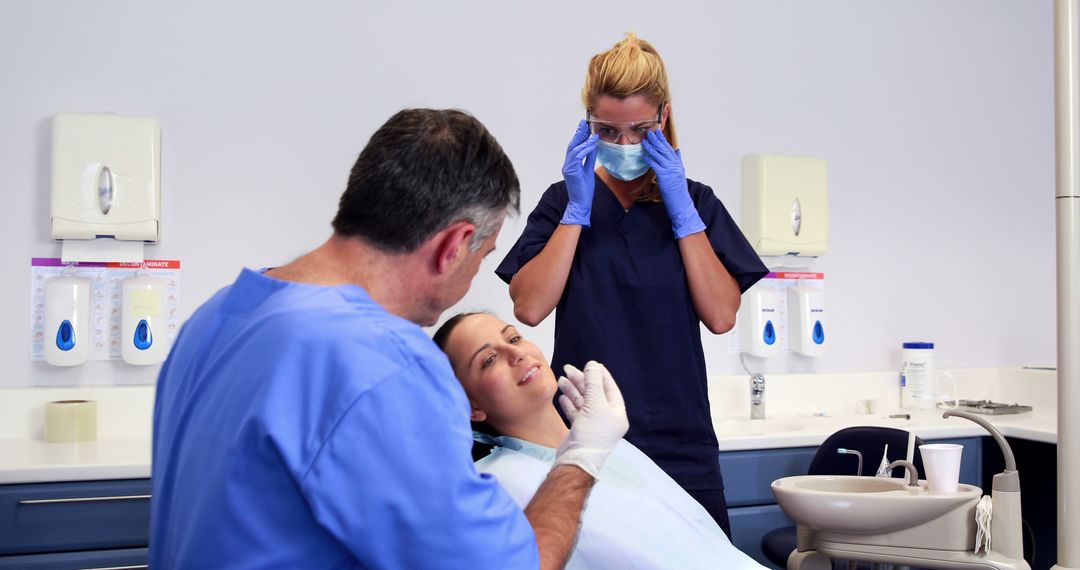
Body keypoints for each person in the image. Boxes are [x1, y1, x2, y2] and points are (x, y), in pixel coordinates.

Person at [150, 108, 629, 569]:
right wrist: (580, 459)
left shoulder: (215, 315)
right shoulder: (383, 365)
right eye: (483, 255)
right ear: (453, 246)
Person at [495, 33, 769, 537]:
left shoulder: (698, 204)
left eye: (639, 130)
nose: (623, 145)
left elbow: (722, 315)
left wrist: (683, 214)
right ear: (588, 127)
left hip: (681, 443)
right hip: (583, 443)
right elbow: (530, 308)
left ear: (662, 119)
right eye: (608, 131)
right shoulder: (563, 203)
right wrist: (577, 212)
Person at [433, 312, 765, 569]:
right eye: (488, 360)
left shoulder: (605, 439)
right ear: (472, 407)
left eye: (515, 338)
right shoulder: (499, 483)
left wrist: (594, 444)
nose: (514, 353)